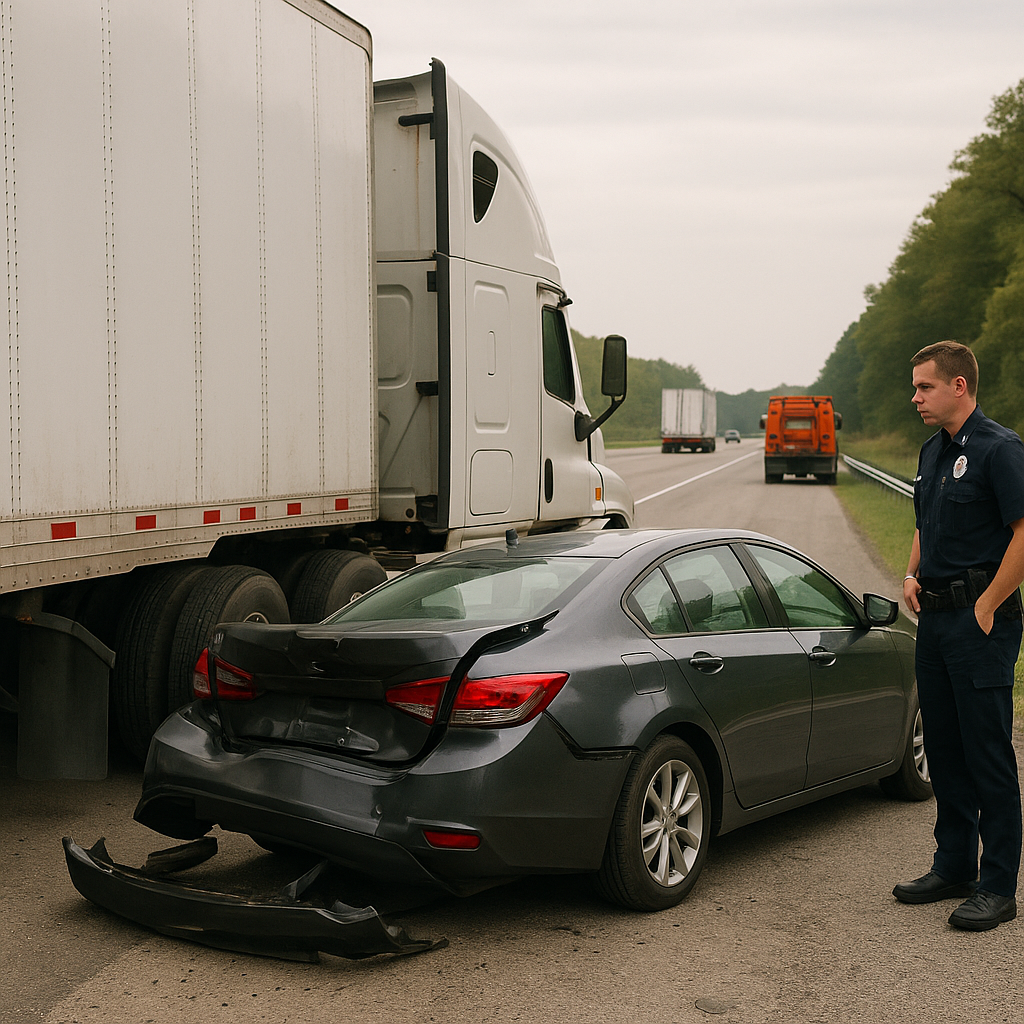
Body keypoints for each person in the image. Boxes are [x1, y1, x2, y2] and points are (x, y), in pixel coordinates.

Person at [893, 340, 1024, 931]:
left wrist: (989, 605)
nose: (915, 396)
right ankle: (955, 865)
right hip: (937, 620)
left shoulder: (1000, 450)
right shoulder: (931, 450)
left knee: (987, 753)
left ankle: (997, 885)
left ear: (959, 387)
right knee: (944, 748)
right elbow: (925, 518)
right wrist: (912, 572)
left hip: (981, 620)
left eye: (924, 387)